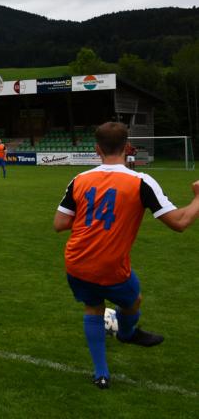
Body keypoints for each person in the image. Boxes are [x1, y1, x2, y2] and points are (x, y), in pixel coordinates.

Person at [53, 121, 199, 389]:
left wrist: (92, 218)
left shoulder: (79, 179)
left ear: (97, 149)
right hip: (110, 266)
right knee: (133, 301)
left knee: (93, 307)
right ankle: (127, 333)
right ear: (128, 147)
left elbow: (60, 223)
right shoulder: (141, 181)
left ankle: (101, 374)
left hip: (76, 262)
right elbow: (179, 222)